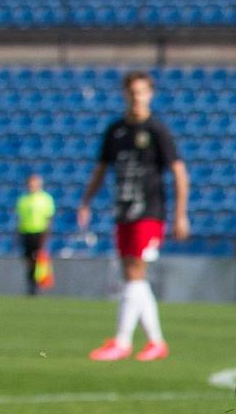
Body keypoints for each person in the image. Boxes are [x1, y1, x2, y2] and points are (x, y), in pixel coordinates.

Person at [77, 70, 189, 362]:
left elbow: (179, 173)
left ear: (149, 94)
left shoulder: (157, 131)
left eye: (141, 92)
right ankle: (155, 342)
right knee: (131, 272)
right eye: (131, 92)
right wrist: (86, 201)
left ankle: (123, 341)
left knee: (135, 269)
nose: (136, 97)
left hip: (150, 211)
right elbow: (101, 169)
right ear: (125, 94)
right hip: (123, 209)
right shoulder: (115, 131)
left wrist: (180, 215)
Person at [16, 172, 55, 296]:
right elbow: (20, 220)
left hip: (39, 233)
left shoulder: (45, 199)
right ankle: (31, 287)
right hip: (26, 233)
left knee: (39, 260)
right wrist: (17, 235)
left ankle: (38, 287)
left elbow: (49, 219)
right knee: (29, 261)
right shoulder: (23, 200)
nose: (32, 186)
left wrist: (45, 237)